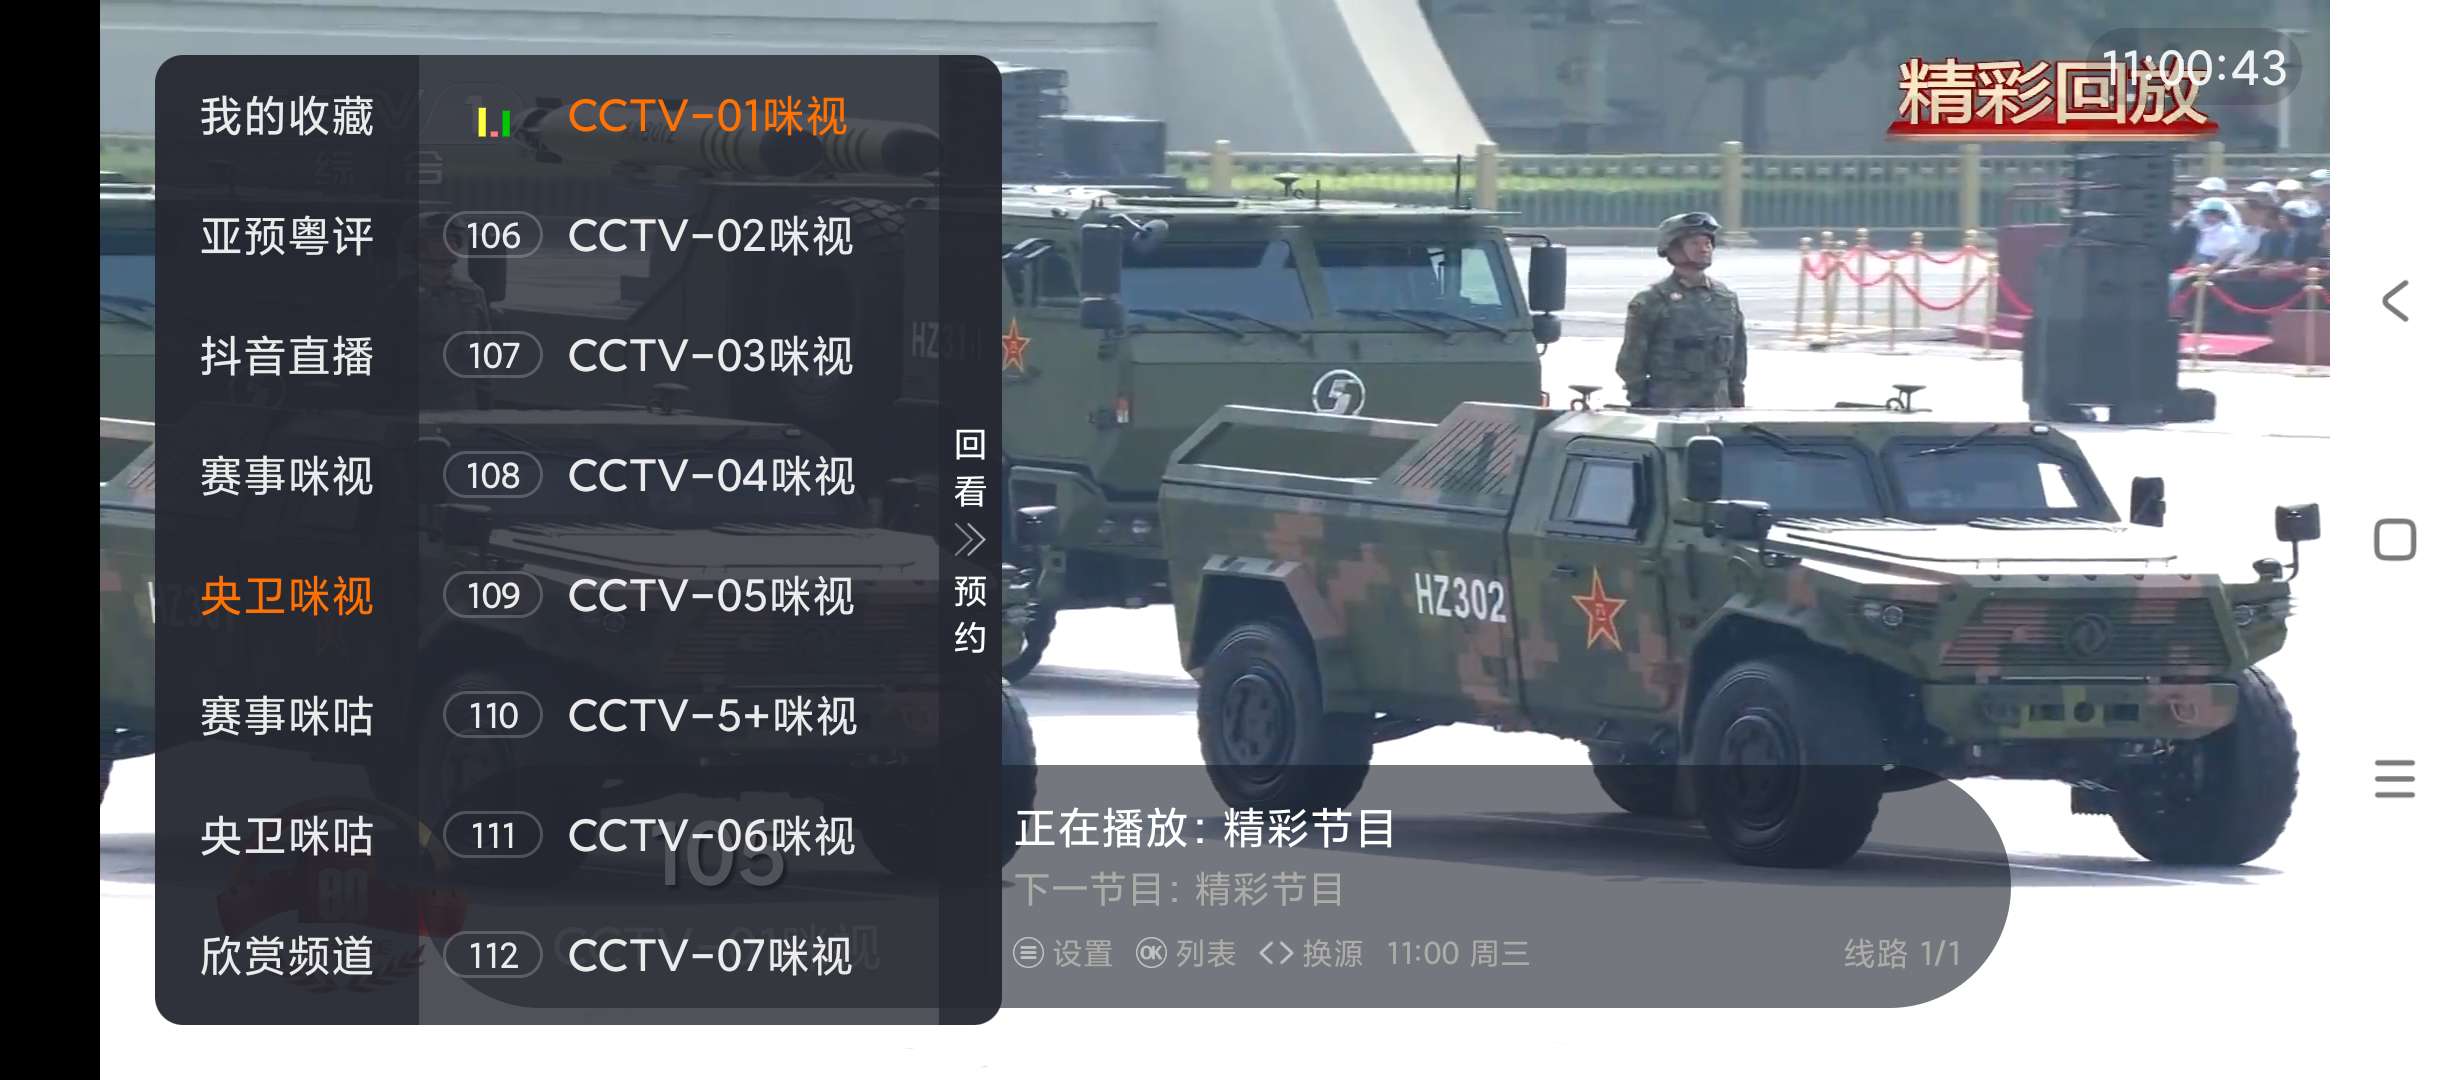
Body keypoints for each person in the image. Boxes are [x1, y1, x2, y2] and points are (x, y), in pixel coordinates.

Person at [1617, 212, 1747, 409]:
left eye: (1707, 243)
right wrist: (1640, 401)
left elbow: (1738, 357)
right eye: (1694, 243)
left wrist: (1737, 400)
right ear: (1673, 249)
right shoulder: (1651, 300)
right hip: (1667, 407)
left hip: (1718, 407)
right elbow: (1631, 361)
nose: (1704, 249)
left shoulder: (1725, 298)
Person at [402, 211, 496, 408]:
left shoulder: (472, 293)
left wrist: (484, 394)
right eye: (439, 240)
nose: (449, 245)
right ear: (419, 247)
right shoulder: (401, 293)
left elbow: (483, 349)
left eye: (453, 239)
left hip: (462, 400)